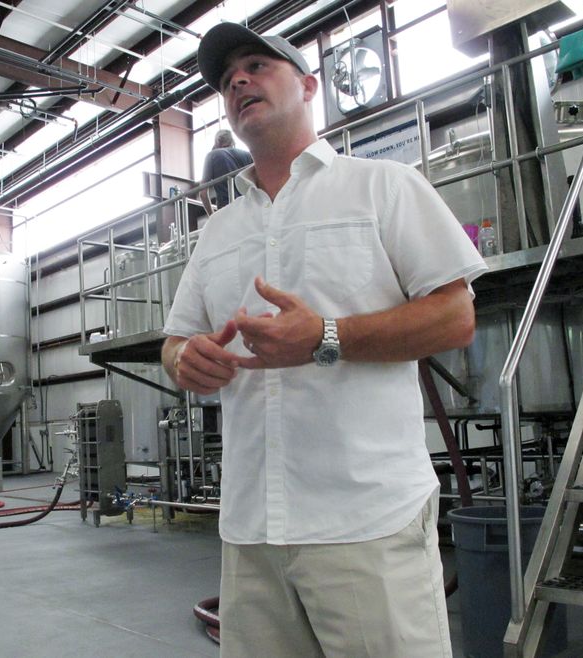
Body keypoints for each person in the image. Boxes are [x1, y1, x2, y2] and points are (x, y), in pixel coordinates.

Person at [161, 22, 488, 657]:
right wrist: (185, 360)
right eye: (228, 79)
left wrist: (326, 336)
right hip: (251, 532)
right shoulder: (218, 232)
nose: (238, 81)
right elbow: (175, 342)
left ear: (310, 85)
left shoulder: (383, 187)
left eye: (257, 65)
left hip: (366, 523)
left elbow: (455, 317)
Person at [199, 128, 253, 215]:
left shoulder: (212, 155)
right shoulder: (248, 155)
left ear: (217, 142)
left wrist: (212, 216)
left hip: (226, 208)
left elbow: (203, 193)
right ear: (232, 141)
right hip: (249, 208)